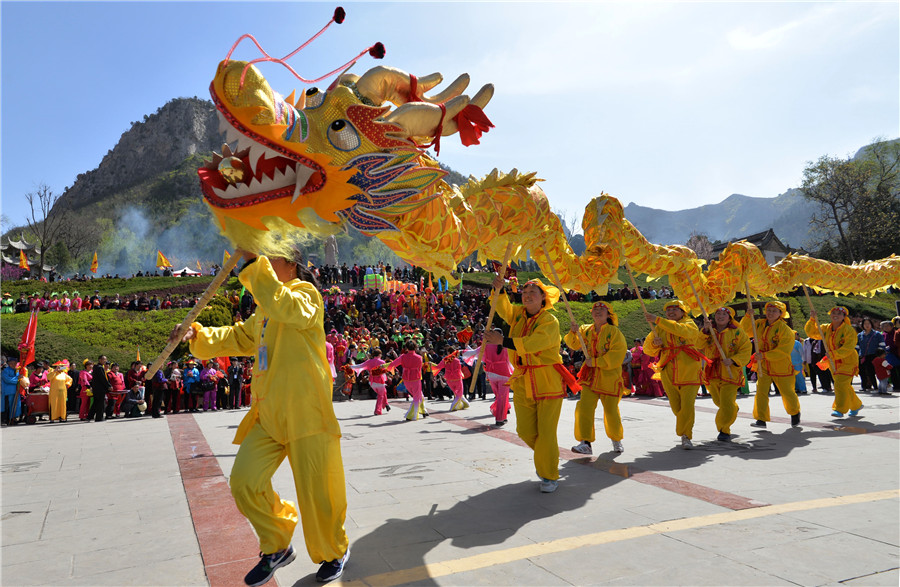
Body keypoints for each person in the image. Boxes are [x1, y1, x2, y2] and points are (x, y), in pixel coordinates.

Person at [176, 247, 349, 585]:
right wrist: (199, 335)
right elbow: (240, 337)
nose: (265, 264)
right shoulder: (264, 310)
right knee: (244, 482)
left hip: (306, 411)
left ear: (291, 263)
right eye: (263, 259)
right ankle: (278, 543)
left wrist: (254, 265)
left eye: (270, 259)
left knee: (319, 492)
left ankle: (334, 552)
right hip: (268, 413)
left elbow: (285, 306)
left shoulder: (305, 295)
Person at [486, 276, 578, 493]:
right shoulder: (518, 315)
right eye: (524, 293)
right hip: (522, 379)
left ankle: (549, 475)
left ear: (543, 297)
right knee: (524, 430)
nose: (527, 296)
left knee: (546, 432)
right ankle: (546, 458)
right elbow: (504, 308)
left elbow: (536, 343)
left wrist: (503, 341)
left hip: (547, 379)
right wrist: (499, 291)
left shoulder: (549, 321)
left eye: (532, 293)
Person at [564, 301, 627, 454]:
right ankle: (585, 442)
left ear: (608, 314)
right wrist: (573, 332)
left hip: (609, 377)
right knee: (584, 408)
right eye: (595, 309)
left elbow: (617, 354)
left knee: (611, 411)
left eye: (602, 309)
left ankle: (616, 439)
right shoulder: (585, 330)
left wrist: (596, 362)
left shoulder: (614, 332)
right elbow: (574, 344)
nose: (598, 312)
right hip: (590, 377)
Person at [642, 300, 705, 449]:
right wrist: (655, 344)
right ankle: (684, 430)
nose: (671, 312)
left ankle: (686, 435)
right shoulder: (659, 328)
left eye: (675, 309)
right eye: (668, 310)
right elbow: (647, 349)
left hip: (689, 369)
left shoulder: (689, 323)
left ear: (683, 312)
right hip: (668, 369)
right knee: (676, 406)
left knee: (687, 405)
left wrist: (658, 319)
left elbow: (684, 331)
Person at [740, 301, 801, 428]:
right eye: (769, 310)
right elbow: (744, 331)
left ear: (781, 313)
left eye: (774, 311)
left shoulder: (785, 330)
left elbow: (784, 350)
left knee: (787, 392)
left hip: (781, 366)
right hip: (763, 365)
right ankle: (761, 419)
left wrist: (765, 355)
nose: (770, 313)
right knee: (761, 391)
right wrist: (747, 317)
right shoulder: (758, 324)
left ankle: (794, 412)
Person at [700, 307, 752, 442]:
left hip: (730, 373)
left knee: (726, 405)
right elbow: (697, 344)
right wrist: (705, 331)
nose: (721, 316)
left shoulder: (738, 332)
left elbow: (746, 349)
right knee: (719, 402)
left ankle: (724, 430)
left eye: (724, 314)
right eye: (718, 313)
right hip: (712, 372)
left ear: (730, 318)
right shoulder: (708, 330)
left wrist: (733, 360)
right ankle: (734, 408)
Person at [805, 306, 863, 418]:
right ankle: (856, 405)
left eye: (839, 313)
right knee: (843, 385)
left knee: (840, 384)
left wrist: (833, 354)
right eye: (833, 313)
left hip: (847, 361)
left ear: (844, 317)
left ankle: (839, 409)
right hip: (833, 362)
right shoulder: (826, 328)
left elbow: (848, 347)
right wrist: (812, 319)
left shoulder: (848, 330)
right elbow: (812, 333)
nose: (836, 315)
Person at [388, 340, 428, 420]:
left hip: (406, 379)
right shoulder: (419, 357)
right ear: (415, 347)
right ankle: (412, 415)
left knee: (419, 394)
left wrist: (384, 367)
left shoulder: (403, 357)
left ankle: (424, 410)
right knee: (416, 397)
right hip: (416, 378)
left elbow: (393, 364)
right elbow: (420, 369)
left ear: (406, 348)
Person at [482, 328, 514, 426]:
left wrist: (463, 350)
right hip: (504, 374)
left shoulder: (486, 345)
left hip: (492, 374)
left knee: (499, 396)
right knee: (502, 397)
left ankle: (506, 408)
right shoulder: (506, 346)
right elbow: (511, 359)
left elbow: (478, 355)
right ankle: (500, 419)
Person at [857, 318, 884, 392]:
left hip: (873, 355)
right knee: (862, 372)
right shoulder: (860, 335)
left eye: (868, 323)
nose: (867, 325)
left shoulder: (877, 334)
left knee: (871, 372)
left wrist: (880, 355)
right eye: (865, 324)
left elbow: (882, 345)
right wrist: (856, 354)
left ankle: (875, 387)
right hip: (862, 356)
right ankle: (864, 386)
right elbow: (857, 346)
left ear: (871, 324)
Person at [88, 356, 111, 422]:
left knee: (96, 402)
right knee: (100, 404)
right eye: (103, 359)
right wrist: (109, 386)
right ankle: (99, 417)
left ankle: (90, 416)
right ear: (99, 360)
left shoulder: (96, 367)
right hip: (100, 388)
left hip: (96, 388)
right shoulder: (100, 368)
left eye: (105, 359)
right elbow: (103, 378)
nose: (105, 361)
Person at [2, 357, 21, 425]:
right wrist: (17, 379)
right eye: (11, 363)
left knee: (15, 405)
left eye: (14, 363)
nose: (13, 365)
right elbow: (7, 379)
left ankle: (13, 419)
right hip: (8, 391)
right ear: (9, 363)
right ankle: (7, 420)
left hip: (16, 391)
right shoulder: (6, 370)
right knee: (8, 406)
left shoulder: (17, 370)